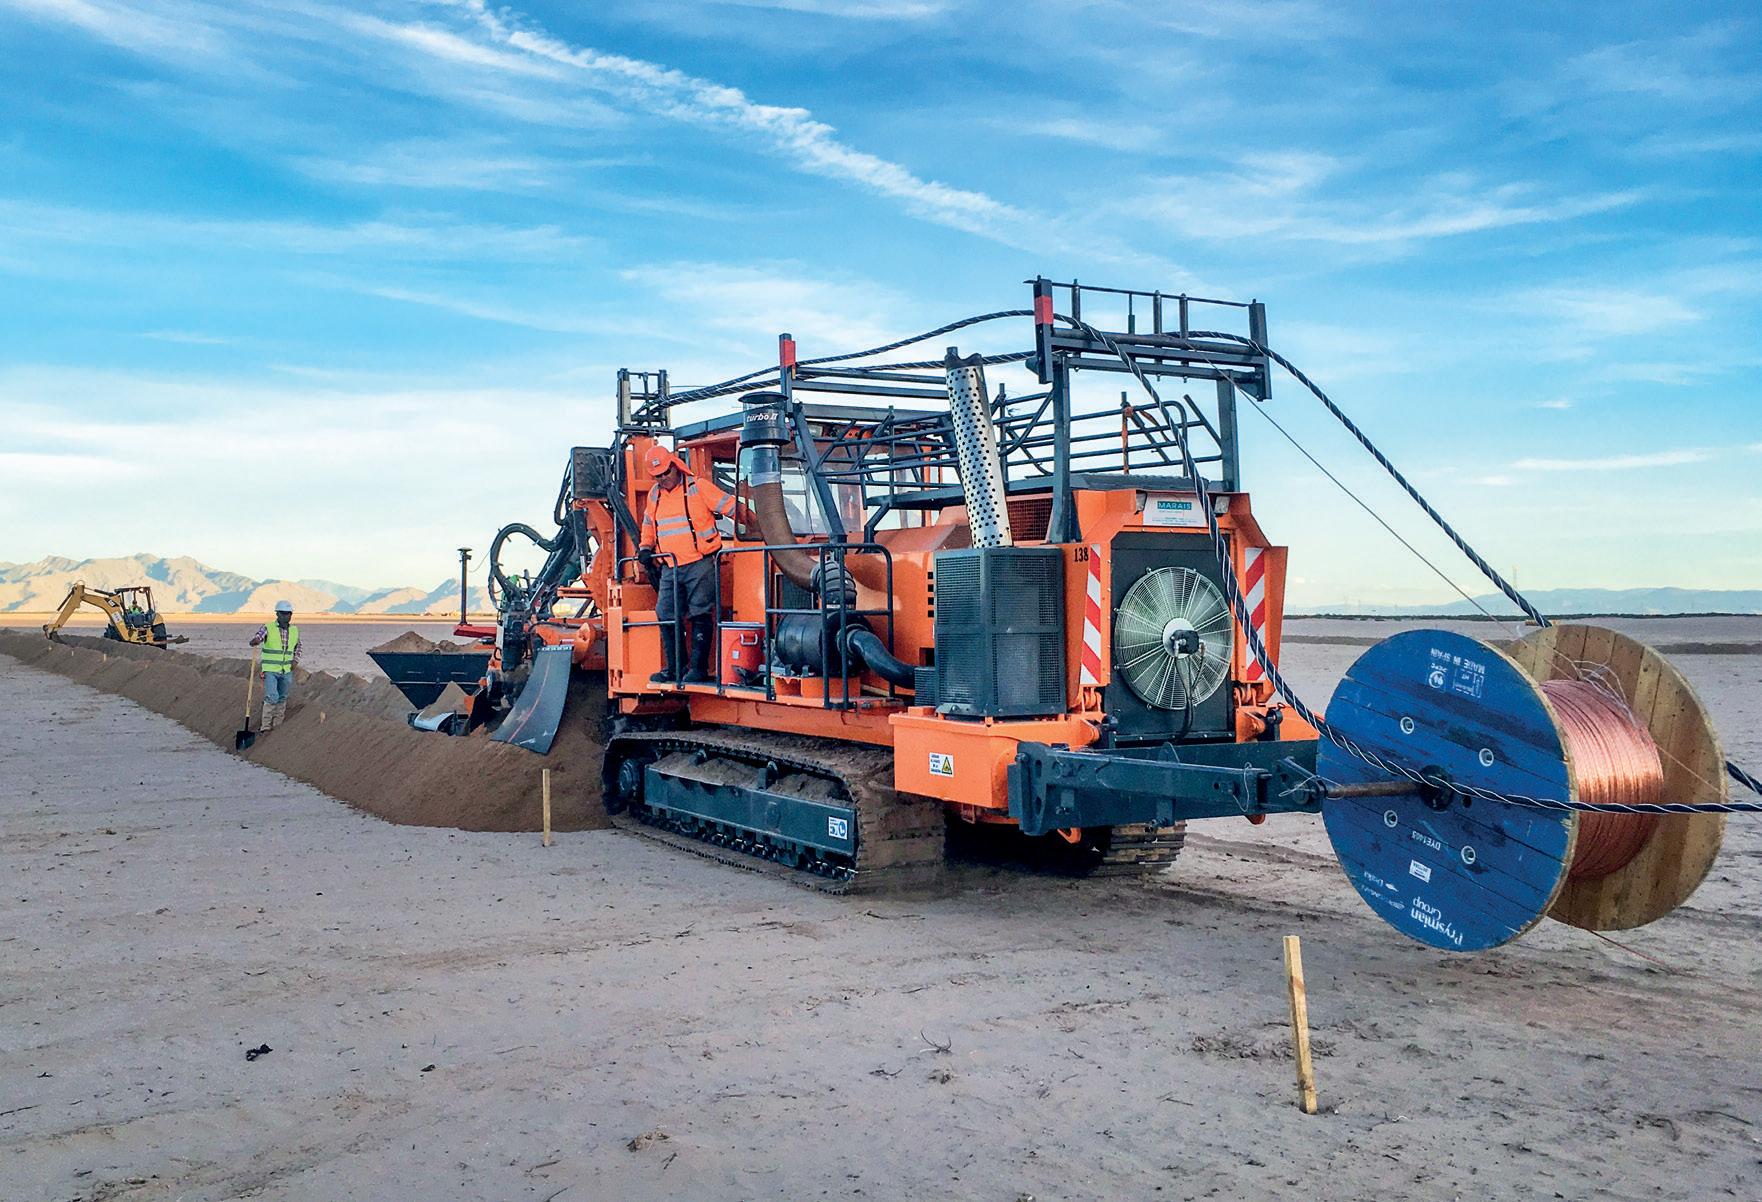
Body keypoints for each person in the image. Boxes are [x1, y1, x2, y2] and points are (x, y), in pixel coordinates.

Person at [637, 445, 739, 686]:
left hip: (700, 563)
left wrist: (760, 529)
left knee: (700, 613)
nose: (663, 479)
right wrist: (645, 548)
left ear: (675, 466)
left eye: (665, 473)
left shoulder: (699, 487)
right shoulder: (654, 495)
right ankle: (675, 669)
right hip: (670, 566)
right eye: (657, 476)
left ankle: (698, 670)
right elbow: (649, 524)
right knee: (665, 613)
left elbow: (733, 508)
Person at [249, 600, 301, 732]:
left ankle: (278, 726)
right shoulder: (268, 627)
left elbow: (298, 646)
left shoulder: (294, 630)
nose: (286, 616)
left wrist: (295, 660)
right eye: (283, 613)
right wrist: (256, 640)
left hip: (286, 670)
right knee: (272, 696)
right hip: (270, 670)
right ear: (277, 614)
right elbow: (259, 636)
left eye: (289, 613)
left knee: (282, 697)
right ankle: (265, 727)